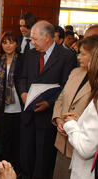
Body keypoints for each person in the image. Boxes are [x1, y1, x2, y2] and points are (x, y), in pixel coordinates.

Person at [18, 20, 77, 179]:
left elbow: (66, 88)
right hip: (28, 114)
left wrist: (49, 103)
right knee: (26, 154)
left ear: (48, 37)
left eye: (35, 39)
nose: (32, 42)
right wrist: (23, 93)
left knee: (42, 158)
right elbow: (22, 78)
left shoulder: (67, 57)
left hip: (47, 116)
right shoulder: (30, 54)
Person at [52, 35, 98, 179]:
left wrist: (72, 124)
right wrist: (59, 119)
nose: (78, 57)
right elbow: (61, 98)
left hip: (82, 144)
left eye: (83, 53)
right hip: (63, 141)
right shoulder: (75, 72)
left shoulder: (95, 80)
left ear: (94, 55)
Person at [0, 31, 24, 174]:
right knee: (5, 139)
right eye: (5, 42)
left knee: (19, 140)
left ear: (17, 44)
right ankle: (5, 170)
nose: (8, 45)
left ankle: (16, 170)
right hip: (4, 107)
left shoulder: (23, 59)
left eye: (11, 42)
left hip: (20, 106)